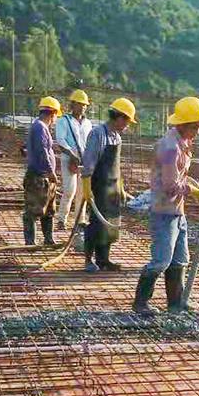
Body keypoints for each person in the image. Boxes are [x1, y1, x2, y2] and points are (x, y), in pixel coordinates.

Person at [132, 96, 199, 314]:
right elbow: (170, 185)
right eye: (195, 127)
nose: (198, 132)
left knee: (179, 259)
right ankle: (140, 303)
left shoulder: (181, 142)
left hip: (176, 211)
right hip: (164, 211)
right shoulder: (170, 148)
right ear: (183, 124)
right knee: (161, 261)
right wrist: (193, 190)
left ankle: (176, 303)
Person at [80, 97, 137, 272]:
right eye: (127, 121)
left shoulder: (117, 137)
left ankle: (103, 260)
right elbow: (89, 162)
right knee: (96, 223)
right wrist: (87, 187)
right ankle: (89, 260)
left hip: (113, 188)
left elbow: (116, 167)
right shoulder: (98, 134)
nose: (127, 126)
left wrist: (121, 188)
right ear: (119, 117)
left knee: (110, 223)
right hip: (99, 186)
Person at [23, 96, 62, 247]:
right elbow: (42, 151)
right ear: (52, 113)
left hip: (44, 178)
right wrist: (51, 172)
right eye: (56, 115)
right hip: (38, 177)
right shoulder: (40, 127)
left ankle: (48, 239)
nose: (55, 120)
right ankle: (30, 242)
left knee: (49, 210)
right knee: (33, 210)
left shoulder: (41, 127)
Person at [54, 89, 92, 230]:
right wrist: (72, 155)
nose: (82, 107)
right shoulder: (64, 121)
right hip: (68, 159)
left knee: (82, 192)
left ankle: (79, 220)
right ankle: (61, 219)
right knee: (69, 190)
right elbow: (61, 140)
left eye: (84, 105)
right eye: (79, 104)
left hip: (83, 160)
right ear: (73, 104)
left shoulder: (88, 123)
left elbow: (89, 142)